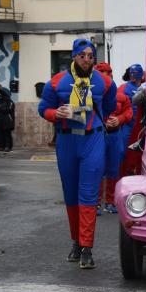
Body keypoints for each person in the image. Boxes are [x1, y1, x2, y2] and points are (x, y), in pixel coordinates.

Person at [38, 39, 117, 269]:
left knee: (89, 195)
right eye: (82, 55)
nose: (87, 59)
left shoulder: (104, 82)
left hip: (93, 138)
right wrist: (57, 113)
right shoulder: (55, 83)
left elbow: (110, 106)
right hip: (67, 140)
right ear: (74, 56)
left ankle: (87, 248)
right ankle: (75, 242)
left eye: (91, 55)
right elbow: (43, 109)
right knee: (71, 195)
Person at [94, 62, 133, 214]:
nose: (107, 75)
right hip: (98, 135)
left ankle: (111, 202)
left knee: (113, 169)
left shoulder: (119, 95)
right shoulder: (92, 94)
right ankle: (95, 203)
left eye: (108, 72)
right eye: (103, 72)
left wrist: (120, 119)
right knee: (97, 168)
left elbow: (129, 111)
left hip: (114, 135)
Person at [0, 88, 15, 152]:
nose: (0, 96)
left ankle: (8, 147)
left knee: (7, 134)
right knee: (0, 134)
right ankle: (0, 146)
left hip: (8, 121)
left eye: (1, 94)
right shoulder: (0, 101)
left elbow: (8, 110)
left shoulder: (10, 102)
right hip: (0, 120)